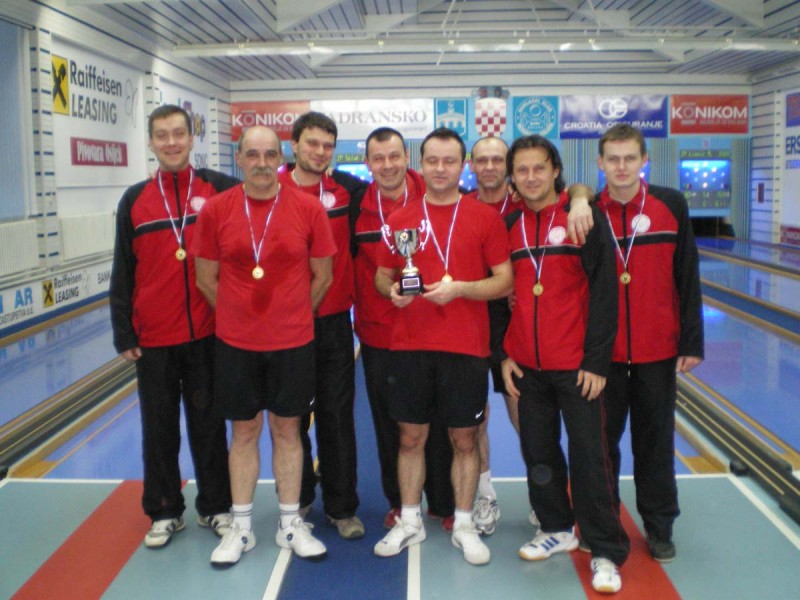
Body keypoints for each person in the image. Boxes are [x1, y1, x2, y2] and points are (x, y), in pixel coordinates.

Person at [192, 125, 335, 566]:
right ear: (238, 158)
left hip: (293, 342)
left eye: (269, 154)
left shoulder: (308, 208)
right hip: (236, 344)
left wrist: (291, 316)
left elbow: (323, 276)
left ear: (281, 158)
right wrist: (241, 317)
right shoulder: (216, 210)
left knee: (288, 431)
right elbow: (205, 278)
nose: (261, 163)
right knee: (244, 432)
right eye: (252, 154)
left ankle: (290, 523)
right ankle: (241, 527)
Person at [373, 128, 512, 565]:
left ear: (463, 165)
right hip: (409, 346)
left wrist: (462, 289)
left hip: (466, 347)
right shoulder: (401, 218)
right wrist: (392, 291)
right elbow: (382, 273)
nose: (440, 168)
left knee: (465, 439)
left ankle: (465, 523)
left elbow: (505, 280)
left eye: (449, 161)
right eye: (432, 160)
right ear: (421, 163)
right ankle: (409, 520)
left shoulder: (484, 217)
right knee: (410, 437)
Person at [500, 134, 628, 594]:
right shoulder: (508, 223)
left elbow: (606, 293)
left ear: (556, 171)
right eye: (522, 170)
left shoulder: (583, 218)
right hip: (527, 367)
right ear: (513, 178)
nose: (531, 177)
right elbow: (499, 293)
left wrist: (597, 362)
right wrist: (504, 353)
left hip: (577, 368)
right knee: (539, 453)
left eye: (539, 168)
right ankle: (556, 527)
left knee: (590, 458)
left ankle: (606, 549)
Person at [110, 104, 234, 549]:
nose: (171, 142)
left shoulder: (219, 190)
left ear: (191, 138)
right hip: (156, 338)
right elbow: (123, 270)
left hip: (207, 334)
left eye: (178, 133)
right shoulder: (135, 200)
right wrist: (124, 332)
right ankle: (164, 510)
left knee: (209, 425)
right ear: (150, 142)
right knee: (158, 428)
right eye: (162, 135)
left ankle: (216, 506)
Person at [464, 136, 595, 536]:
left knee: (529, 424)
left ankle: (546, 499)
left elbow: (575, 188)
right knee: (474, 422)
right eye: (482, 160)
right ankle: (485, 494)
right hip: (474, 328)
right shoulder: (463, 207)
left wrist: (580, 198)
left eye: (497, 159)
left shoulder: (524, 206)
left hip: (522, 332)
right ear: (472, 165)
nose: (490, 166)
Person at [596, 124, 704, 563]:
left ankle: (659, 527)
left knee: (655, 445)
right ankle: (600, 524)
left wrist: (691, 340)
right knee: (600, 445)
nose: (621, 167)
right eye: (613, 159)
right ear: (601, 163)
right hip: (602, 356)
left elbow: (688, 276)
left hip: (657, 352)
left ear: (644, 161)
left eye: (630, 158)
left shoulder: (670, 204)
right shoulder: (587, 211)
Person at [352, 126, 455, 530]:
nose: (387, 165)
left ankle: (444, 502)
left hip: (434, 330)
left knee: (441, 421)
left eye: (394, 155)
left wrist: (579, 197)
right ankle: (399, 501)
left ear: (408, 157)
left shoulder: (436, 194)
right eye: (378, 158)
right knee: (390, 424)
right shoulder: (356, 206)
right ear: (367, 163)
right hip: (379, 333)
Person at [277, 111, 364, 540]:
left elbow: (405, 186)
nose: (320, 152)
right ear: (294, 145)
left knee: (336, 416)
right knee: (291, 418)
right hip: (285, 326)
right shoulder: (270, 190)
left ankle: (342, 507)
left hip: (332, 323)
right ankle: (299, 497)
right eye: (311, 143)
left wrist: (569, 195)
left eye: (328, 145)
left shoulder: (347, 191)